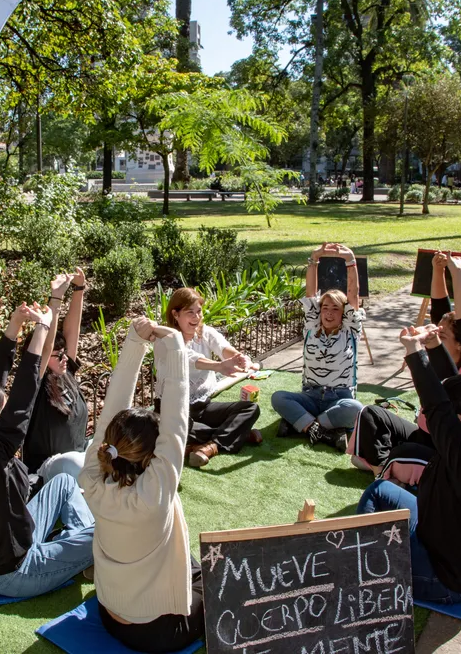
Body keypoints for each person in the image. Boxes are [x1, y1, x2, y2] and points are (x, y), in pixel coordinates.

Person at [0, 301, 95, 599]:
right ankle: (79, 551)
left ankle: (73, 548)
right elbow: (25, 391)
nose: (6, 405)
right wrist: (42, 328)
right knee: (109, 536)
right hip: (15, 571)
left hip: (19, 537)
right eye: (1, 408)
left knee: (64, 483)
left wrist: (14, 326)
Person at [79, 318, 205, 653]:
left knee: (186, 557)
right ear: (149, 457)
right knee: (219, 580)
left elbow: (111, 414)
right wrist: (176, 347)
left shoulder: (91, 479)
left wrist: (135, 343)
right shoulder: (154, 495)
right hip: (156, 633)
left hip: (109, 613)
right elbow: (177, 425)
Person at [357, 324, 461, 605]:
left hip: (448, 579)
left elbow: (437, 404)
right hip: (436, 532)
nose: (423, 412)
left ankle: (364, 571)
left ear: (457, 422)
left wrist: (413, 351)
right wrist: (434, 345)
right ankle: (363, 553)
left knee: (371, 569)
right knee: (379, 490)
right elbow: (450, 385)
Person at [348, 251, 461, 478]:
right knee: (370, 415)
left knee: (401, 452)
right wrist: (437, 269)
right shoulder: (440, 358)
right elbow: (439, 309)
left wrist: (457, 274)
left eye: (443, 335)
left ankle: (392, 468)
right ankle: (385, 468)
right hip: (422, 434)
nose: (434, 334)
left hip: (444, 449)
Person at [272, 242, 365, 449]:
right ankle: (326, 430)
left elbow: (353, 295)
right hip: (311, 395)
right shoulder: (312, 326)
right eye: (325, 308)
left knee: (356, 408)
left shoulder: (350, 330)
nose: (329, 313)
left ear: (344, 314)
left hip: (339, 397)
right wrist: (314, 258)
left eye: (335, 308)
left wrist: (350, 260)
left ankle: (302, 423)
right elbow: (310, 294)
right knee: (278, 398)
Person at [161, 288, 262, 468]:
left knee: (251, 408)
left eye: (198, 311)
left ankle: (209, 447)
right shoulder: (166, 338)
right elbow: (188, 358)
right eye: (189, 312)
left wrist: (239, 357)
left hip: (202, 406)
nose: (196, 317)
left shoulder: (205, 332)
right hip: (172, 410)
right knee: (179, 431)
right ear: (175, 314)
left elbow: (223, 347)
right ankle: (239, 434)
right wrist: (218, 366)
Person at [22, 268, 90, 481]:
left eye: (63, 354)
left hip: (79, 456)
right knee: (76, 464)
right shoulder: (35, 384)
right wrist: (56, 298)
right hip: (46, 468)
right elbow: (45, 346)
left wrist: (79, 288)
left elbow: (71, 333)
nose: (63, 358)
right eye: (56, 355)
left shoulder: (65, 372)